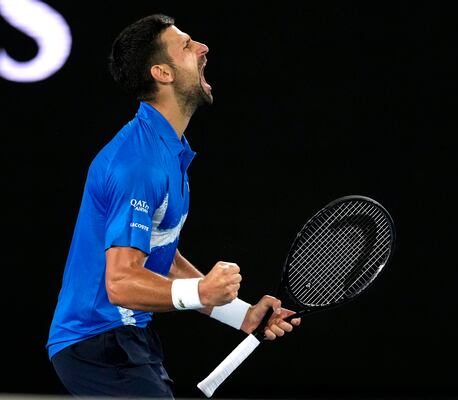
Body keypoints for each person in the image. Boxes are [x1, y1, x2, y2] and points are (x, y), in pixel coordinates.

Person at [46, 14, 301, 398]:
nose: (203, 48)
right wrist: (201, 290)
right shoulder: (138, 163)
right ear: (162, 73)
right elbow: (119, 283)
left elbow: (158, 251)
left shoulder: (168, 153)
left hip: (127, 337)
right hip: (96, 342)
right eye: (186, 45)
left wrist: (241, 315)